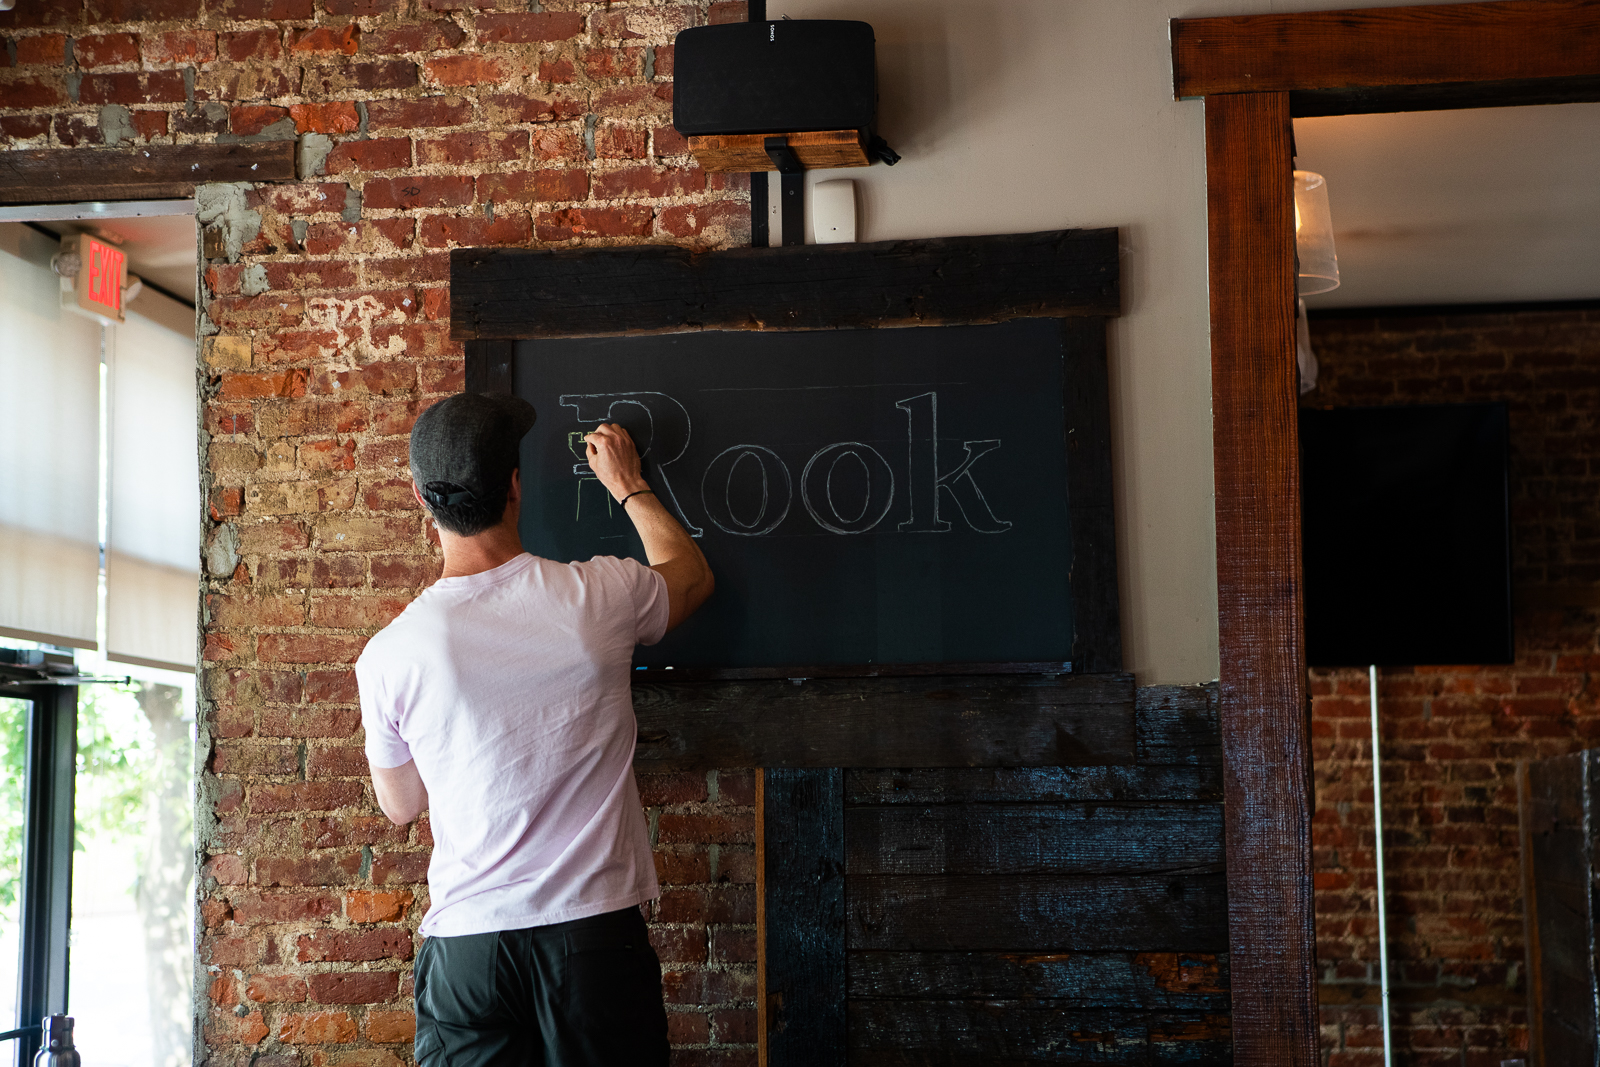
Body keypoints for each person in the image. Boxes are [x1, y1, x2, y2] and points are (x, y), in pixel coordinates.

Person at [355, 392, 714, 1067]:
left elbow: (400, 806)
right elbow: (692, 577)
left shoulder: (389, 654)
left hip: (470, 950)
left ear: (420, 499)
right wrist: (630, 486)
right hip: (592, 940)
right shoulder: (599, 598)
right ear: (515, 487)